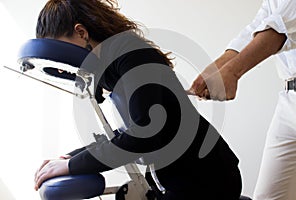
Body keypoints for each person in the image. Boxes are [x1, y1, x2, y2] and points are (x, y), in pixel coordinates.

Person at [33, 0, 242, 199]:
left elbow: (143, 134)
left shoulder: (132, 55)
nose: (62, 63)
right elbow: (127, 133)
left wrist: (71, 166)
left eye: (61, 51)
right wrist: (70, 158)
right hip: (173, 181)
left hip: (207, 180)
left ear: (81, 32)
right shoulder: (111, 67)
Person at [188, 0, 296, 199]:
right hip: (289, 100)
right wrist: (216, 69)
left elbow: (280, 29)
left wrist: (232, 72)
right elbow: (257, 27)